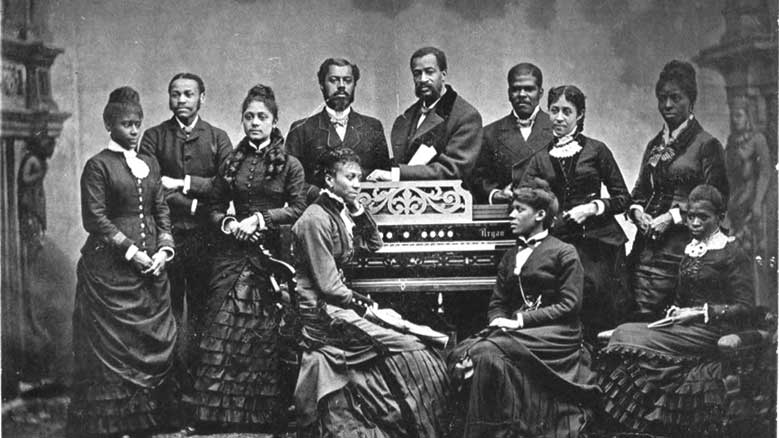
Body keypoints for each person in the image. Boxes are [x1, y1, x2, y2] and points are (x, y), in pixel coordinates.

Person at [291, 147, 451, 437]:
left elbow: (374, 244)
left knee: (415, 334)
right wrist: (364, 304)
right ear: (329, 180)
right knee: (407, 343)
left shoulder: (338, 213)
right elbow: (328, 287)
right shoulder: (315, 220)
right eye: (349, 177)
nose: (357, 184)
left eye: (359, 178)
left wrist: (357, 208)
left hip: (338, 306)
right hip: (322, 315)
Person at [184, 85, 306, 434]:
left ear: (274, 121)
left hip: (271, 256)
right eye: (249, 117)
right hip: (232, 253)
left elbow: (297, 208)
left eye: (262, 117)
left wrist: (261, 220)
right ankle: (218, 416)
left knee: (263, 331)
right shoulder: (232, 162)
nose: (255, 123)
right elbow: (214, 205)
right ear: (242, 120)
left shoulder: (291, 165)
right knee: (222, 326)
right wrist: (229, 223)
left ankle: (264, 416)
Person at [447, 179, 600, 438]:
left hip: (557, 333)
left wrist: (519, 322)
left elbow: (569, 305)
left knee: (486, 353)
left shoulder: (564, 252)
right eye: (512, 209)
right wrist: (498, 320)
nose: (511, 215)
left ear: (540, 215)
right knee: (464, 351)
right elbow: (498, 302)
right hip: (517, 331)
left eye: (519, 209)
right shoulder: (510, 255)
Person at [598, 184, 754, 436]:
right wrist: (676, 310)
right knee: (625, 330)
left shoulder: (732, 252)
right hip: (686, 326)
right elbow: (682, 298)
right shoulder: (691, 248)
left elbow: (746, 308)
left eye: (703, 217)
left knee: (624, 335)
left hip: (712, 329)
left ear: (720, 217)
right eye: (690, 216)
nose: (694, 222)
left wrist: (700, 312)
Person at [67, 87, 179, 438]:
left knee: (149, 342)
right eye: (126, 124)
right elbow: (95, 219)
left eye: (137, 123)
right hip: (111, 271)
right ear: (109, 125)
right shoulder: (98, 165)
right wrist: (132, 252)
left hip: (151, 268)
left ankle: (150, 421)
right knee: (114, 348)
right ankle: (114, 426)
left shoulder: (150, 164)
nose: (133, 130)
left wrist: (163, 249)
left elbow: (161, 207)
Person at [138, 72, 233, 384]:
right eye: (175, 94)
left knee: (205, 311)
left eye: (188, 94)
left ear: (202, 98)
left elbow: (226, 185)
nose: (181, 100)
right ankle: (172, 387)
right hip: (167, 239)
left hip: (209, 241)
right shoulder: (153, 137)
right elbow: (150, 185)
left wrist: (181, 183)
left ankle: (203, 385)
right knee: (168, 311)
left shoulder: (218, 138)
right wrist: (194, 205)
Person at [521, 85, 631, 343]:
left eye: (566, 111)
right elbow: (524, 198)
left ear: (580, 115)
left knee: (601, 309)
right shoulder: (540, 159)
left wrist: (592, 208)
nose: (559, 117)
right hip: (560, 243)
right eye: (554, 110)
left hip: (600, 246)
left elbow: (623, 198)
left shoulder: (597, 150)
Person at [628, 60, 729, 319]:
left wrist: (671, 217)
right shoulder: (654, 145)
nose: (668, 105)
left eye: (676, 98)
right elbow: (639, 190)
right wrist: (638, 212)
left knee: (669, 314)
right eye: (663, 98)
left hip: (683, 244)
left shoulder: (707, 145)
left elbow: (717, 199)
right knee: (635, 307)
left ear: (691, 100)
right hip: (647, 244)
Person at [367, 46, 483, 183]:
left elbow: (453, 169)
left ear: (443, 74)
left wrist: (397, 175)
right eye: (417, 73)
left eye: (429, 72)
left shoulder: (465, 116)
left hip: (446, 201)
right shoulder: (405, 119)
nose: (422, 79)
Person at [286, 57, 391, 199]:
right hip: (318, 210)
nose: (341, 86)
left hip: (365, 208)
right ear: (322, 85)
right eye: (334, 80)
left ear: (354, 85)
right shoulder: (301, 130)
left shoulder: (373, 127)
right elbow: (292, 181)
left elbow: (386, 176)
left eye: (347, 80)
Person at [471, 62, 554, 204]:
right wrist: (494, 194)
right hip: (507, 213)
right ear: (509, 93)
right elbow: (477, 178)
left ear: (540, 93)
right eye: (516, 89)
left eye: (529, 89)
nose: (522, 95)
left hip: (549, 214)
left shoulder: (557, 129)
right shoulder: (489, 134)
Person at [725, 96, 776, 304]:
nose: (735, 120)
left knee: (755, 253)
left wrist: (757, 203)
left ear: (748, 117)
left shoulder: (758, 140)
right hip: (736, 201)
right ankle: (740, 304)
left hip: (754, 203)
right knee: (735, 254)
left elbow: (765, 173)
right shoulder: (731, 141)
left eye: (739, 115)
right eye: (732, 115)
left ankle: (760, 305)